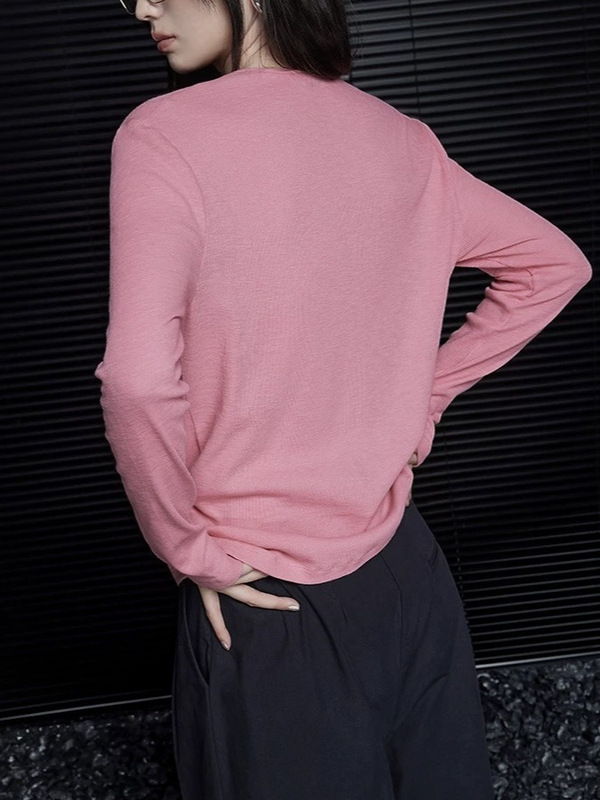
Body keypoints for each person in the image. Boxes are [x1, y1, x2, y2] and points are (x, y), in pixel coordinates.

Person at [94, 0, 593, 797]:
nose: (143, 7)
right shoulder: (403, 139)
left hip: (269, 603)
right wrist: (422, 399)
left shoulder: (162, 135)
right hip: (409, 577)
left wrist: (188, 552)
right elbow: (555, 265)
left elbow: (136, 379)